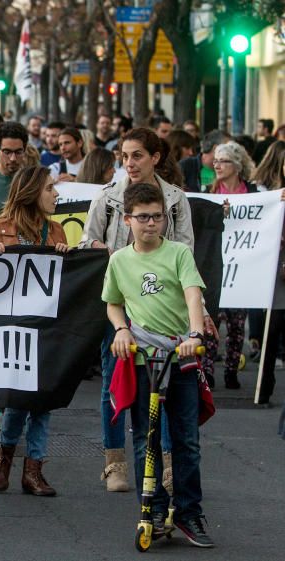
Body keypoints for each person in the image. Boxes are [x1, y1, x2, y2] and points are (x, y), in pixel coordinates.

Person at [80, 127, 196, 493]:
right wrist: (111, 253)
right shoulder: (108, 197)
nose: (129, 163)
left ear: (155, 158)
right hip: (119, 301)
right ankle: (114, 462)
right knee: (115, 380)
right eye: (124, 156)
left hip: (162, 306)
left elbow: (186, 252)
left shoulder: (175, 200)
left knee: (162, 385)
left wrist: (196, 312)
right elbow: (86, 239)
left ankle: (166, 464)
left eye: (137, 156)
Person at [104, 182, 213, 547]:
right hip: (141, 357)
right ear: (127, 219)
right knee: (144, 439)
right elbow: (113, 302)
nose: (151, 224)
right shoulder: (119, 260)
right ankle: (151, 508)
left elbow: (192, 293)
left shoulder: (179, 253)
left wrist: (195, 335)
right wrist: (121, 329)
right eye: (143, 218)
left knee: (186, 440)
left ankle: (188, 512)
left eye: (157, 217)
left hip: (178, 354)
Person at [0, 166, 71, 497]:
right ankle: (5, 457)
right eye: (50, 188)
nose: (56, 194)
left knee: (43, 401)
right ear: (32, 191)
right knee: (18, 399)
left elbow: (66, 285)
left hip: (47, 329)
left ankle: (33, 470)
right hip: (13, 328)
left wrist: (65, 258)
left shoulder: (57, 231)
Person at [200, 141, 256, 389]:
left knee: (236, 323)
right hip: (215, 264)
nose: (217, 164)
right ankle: (208, 369)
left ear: (237, 165)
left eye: (223, 160)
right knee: (212, 317)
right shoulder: (208, 192)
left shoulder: (255, 193)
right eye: (216, 160)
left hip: (243, 265)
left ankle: (232, 369)